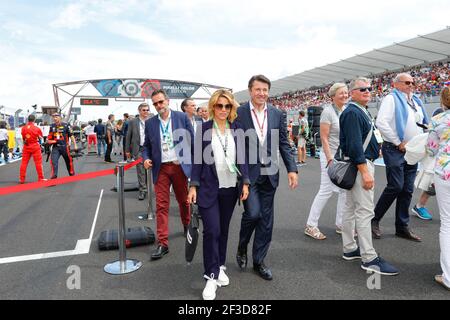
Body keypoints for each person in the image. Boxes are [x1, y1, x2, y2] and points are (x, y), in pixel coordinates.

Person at [188, 89, 250, 300]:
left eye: (227, 106)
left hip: (231, 187)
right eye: (219, 106)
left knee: (223, 230)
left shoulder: (238, 128)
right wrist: (193, 185)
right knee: (212, 231)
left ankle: (220, 265)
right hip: (208, 187)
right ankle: (211, 276)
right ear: (213, 107)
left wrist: (246, 183)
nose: (223, 110)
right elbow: (197, 160)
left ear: (231, 108)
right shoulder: (203, 129)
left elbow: (243, 159)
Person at [235, 75, 298, 281]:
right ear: (250, 90)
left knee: (266, 221)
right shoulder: (239, 113)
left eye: (265, 90)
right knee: (253, 214)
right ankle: (242, 246)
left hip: (270, 173)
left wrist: (292, 168)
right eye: (258, 89)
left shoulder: (277, 113)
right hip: (248, 174)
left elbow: (284, 143)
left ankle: (259, 261)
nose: (262, 93)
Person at [339, 77, 398, 276]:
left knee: (350, 208)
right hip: (360, 166)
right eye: (362, 89)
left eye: (369, 88)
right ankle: (369, 257)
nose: (367, 91)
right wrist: (365, 172)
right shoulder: (353, 112)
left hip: (358, 165)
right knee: (364, 211)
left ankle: (349, 248)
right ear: (352, 93)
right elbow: (355, 146)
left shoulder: (358, 111)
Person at [372, 73, 429, 242]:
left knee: (407, 189)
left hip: (412, 150)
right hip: (395, 148)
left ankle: (402, 227)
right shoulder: (391, 99)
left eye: (413, 82)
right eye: (407, 82)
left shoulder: (416, 101)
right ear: (395, 84)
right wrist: (398, 142)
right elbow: (382, 122)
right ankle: (374, 220)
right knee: (396, 186)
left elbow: (422, 123)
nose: (411, 85)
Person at [143, 89, 194, 260]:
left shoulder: (181, 117)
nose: (158, 106)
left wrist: (190, 162)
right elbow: (146, 147)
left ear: (167, 101)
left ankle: (187, 225)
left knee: (183, 200)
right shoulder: (150, 123)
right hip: (161, 169)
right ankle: (162, 243)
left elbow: (192, 141)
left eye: (160, 102)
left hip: (179, 168)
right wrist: (146, 158)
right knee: (162, 206)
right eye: (155, 103)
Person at [305, 83, 348, 240]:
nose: (344, 95)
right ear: (333, 96)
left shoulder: (345, 110)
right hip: (329, 156)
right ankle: (311, 225)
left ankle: (341, 224)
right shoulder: (328, 112)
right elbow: (324, 137)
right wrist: (330, 158)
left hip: (343, 156)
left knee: (344, 190)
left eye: (346, 92)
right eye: (341, 93)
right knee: (326, 190)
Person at [426, 86, 450, 290]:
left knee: (447, 223)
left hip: (445, 173)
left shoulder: (438, 120)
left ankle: (449, 276)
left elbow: (431, 149)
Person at [126, 103, 151, 200]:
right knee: (141, 171)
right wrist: (127, 150)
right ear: (139, 111)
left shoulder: (152, 121)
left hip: (151, 149)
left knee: (149, 170)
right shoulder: (133, 122)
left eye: (147, 110)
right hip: (139, 149)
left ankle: (148, 188)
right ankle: (142, 190)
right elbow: (128, 136)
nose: (146, 112)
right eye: (144, 110)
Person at [47, 113, 77, 179]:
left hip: (65, 147)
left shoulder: (66, 125)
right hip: (56, 147)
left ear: (60, 117)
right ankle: (54, 175)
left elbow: (71, 135)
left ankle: (71, 173)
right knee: (53, 161)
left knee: (68, 161)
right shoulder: (52, 126)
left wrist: (75, 145)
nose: (55, 118)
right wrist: (49, 141)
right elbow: (50, 136)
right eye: (54, 117)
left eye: (56, 117)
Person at [19, 114, 46, 183]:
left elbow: (23, 138)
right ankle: (41, 178)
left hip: (26, 146)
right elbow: (41, 137)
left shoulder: (23, 128)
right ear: (34, 120)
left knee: (24, 163)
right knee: (38, 163)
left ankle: (22, 179)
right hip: (35, 146)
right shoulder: (36, 128)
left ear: (28, 119)